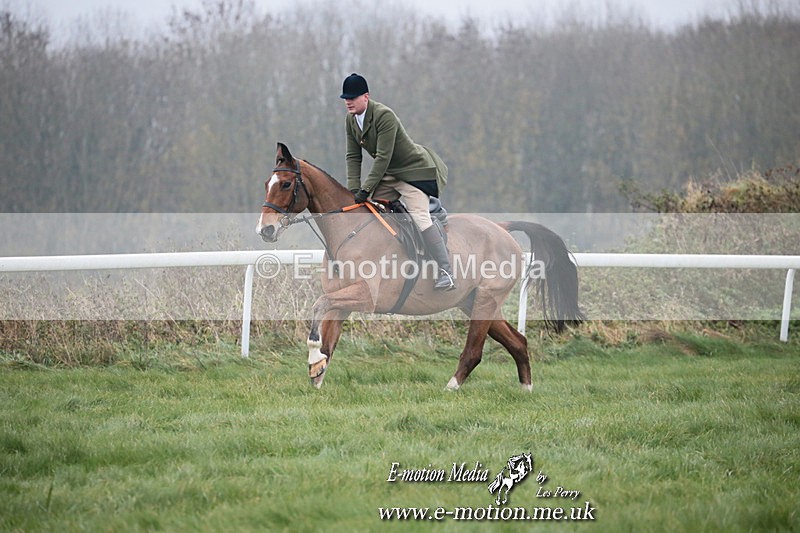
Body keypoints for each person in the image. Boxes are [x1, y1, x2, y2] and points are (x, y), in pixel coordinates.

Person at [339, 73, 455, 290]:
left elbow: (383, 157)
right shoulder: (350, 121)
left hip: (412, 172)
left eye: (352, 97)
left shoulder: (384, 116)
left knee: (420, 218)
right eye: (346, 98)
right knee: (374, 212)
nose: (348, 101)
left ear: (366, 97)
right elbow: (353, 156)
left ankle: (446, 271)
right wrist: (354, 189)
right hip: (388, 174)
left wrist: (366, 188)